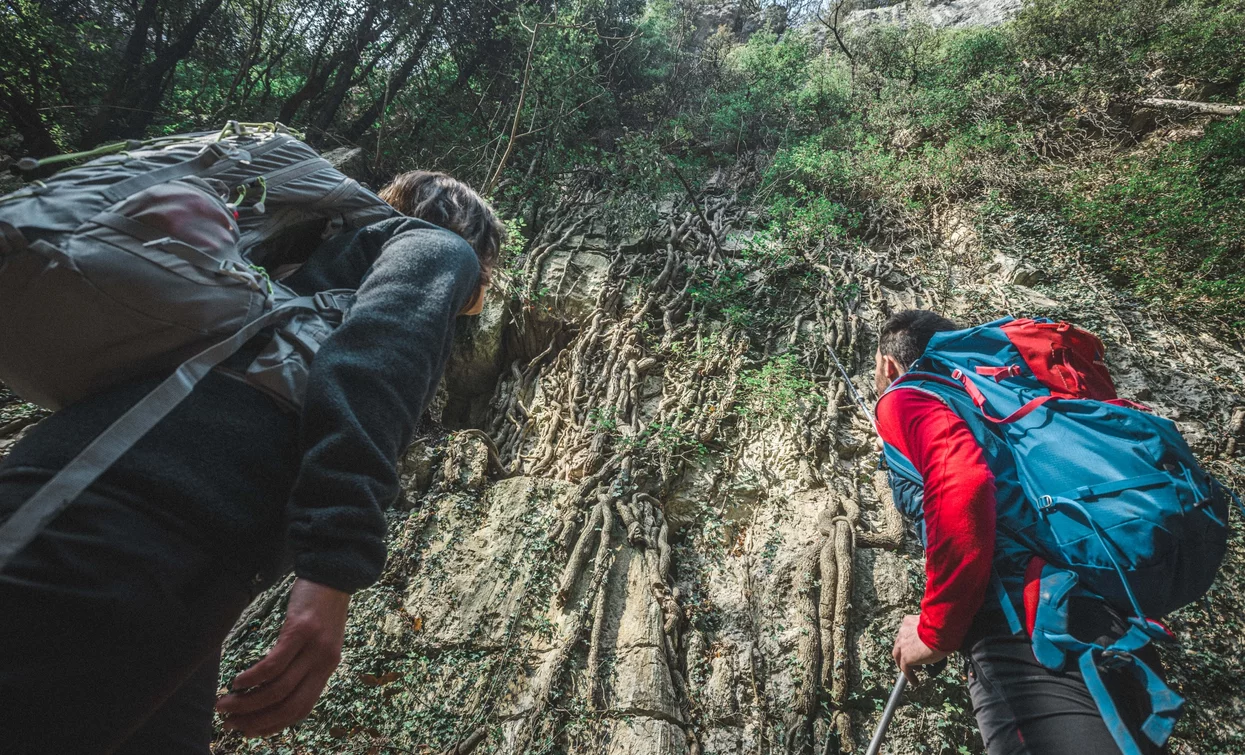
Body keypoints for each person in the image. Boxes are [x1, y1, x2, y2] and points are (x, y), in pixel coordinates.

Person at [0, 171, 503, 753]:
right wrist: (335, 564)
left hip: (197, 544)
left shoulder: (306, 265)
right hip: (125, 501)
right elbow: (376, 361)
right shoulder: (436, 245)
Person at [873, 309, 1166, 755]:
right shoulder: (1013, 401)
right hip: (1117, 621)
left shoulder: (908, 395)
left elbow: (964, 485)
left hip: (1028, 633)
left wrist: (935, 630)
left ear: (888, 366)